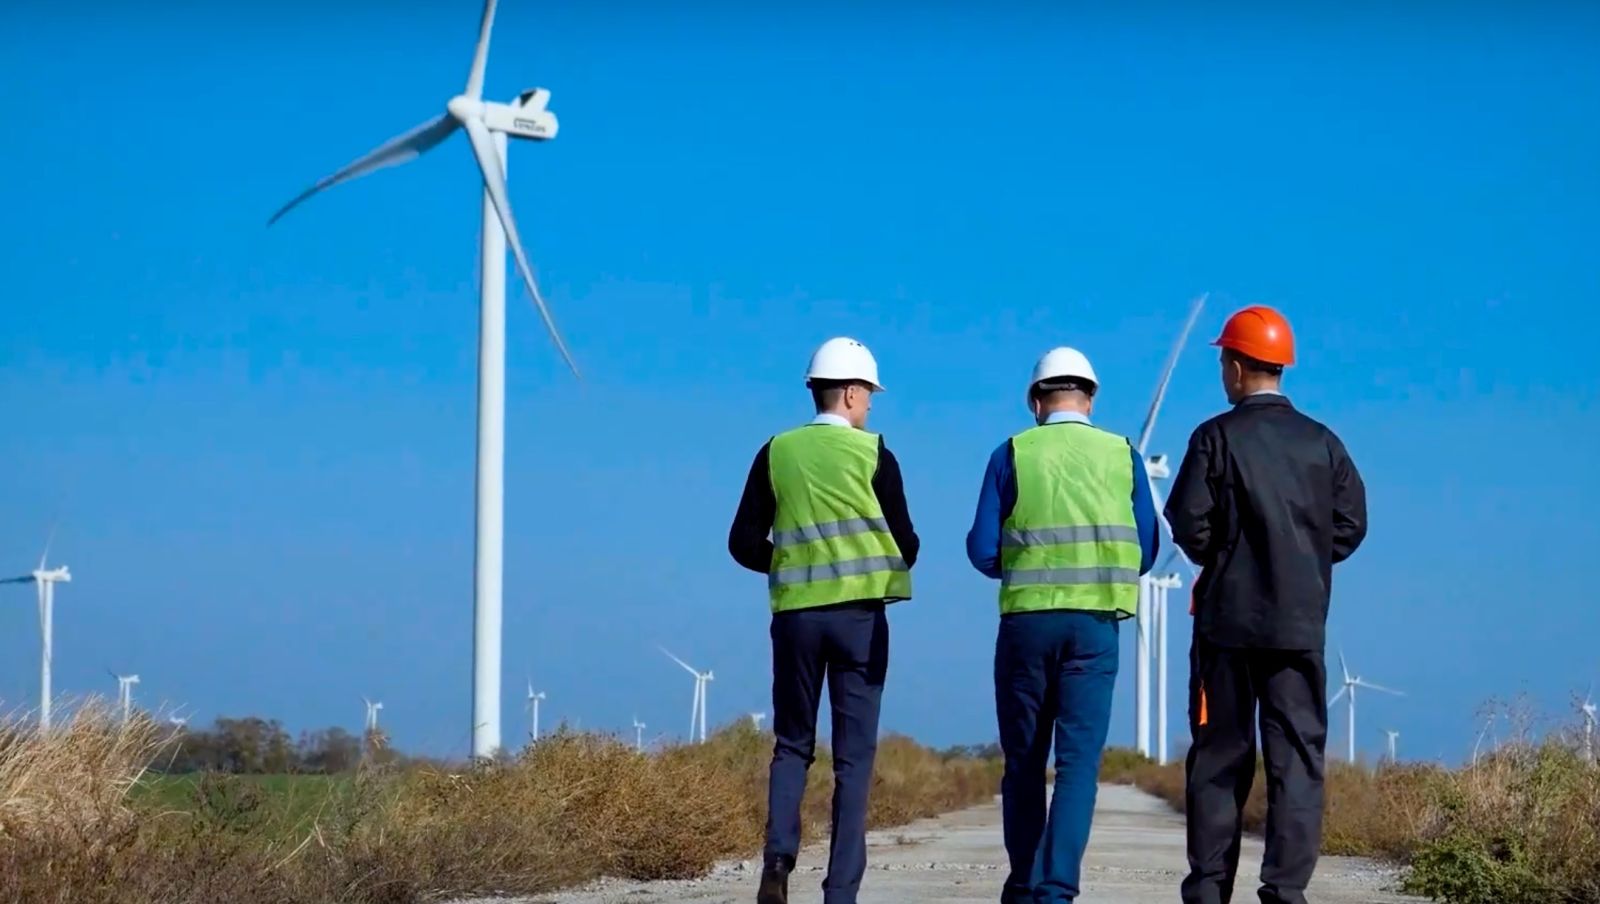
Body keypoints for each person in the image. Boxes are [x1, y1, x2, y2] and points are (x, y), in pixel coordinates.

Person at [1165, 305, 1368, 904]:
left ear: (1233, 365)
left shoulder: (1214, 437)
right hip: (1299, 626)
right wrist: (1302, 560)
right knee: (1298, 762)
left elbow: (1187, 523)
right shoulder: (1323, 443)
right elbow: (1351, 525)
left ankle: (1208, 891)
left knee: (1219, 760)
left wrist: (1228, 557)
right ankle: (1285, 892)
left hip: (1226, 627)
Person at [727, 337, 920, 904]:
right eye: (870, 397)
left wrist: (790, 564)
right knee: (854, 759)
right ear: (854, 393)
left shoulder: (775, 451)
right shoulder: (875, 454)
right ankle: (840, 891)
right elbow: (905, 545)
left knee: (792, 744)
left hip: (796, 620)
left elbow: (742, 542)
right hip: (860, 619)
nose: (872, 408)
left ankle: (777, 863)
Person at [966, 347, 1159, 904]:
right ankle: (1056, 891)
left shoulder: (1012, 453)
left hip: (1027, 624)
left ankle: (1023, 885)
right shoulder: (1123, 455)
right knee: (1077, 769)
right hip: (1096, 626)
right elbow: (1147, 550)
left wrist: (1024, 565)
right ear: (1092, 398)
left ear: (1035, 400)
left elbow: (981, 548)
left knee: (1024, 763)